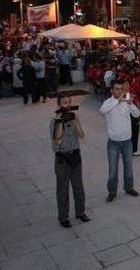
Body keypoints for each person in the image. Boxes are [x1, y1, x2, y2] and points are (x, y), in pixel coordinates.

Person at [49, 95, 89, 228]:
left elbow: (82, 135)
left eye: (69, 102)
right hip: (62, 159)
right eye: (64, 103)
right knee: (63, 190)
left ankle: (80, 212)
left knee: (78, 187)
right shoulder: (54, 121)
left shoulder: (74, 117)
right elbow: (57, 139)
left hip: (75, 156)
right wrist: (60, 121)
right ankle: (63, 217)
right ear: (59, 104)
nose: (67, 105)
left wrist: (76, 121)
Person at [99, 80, 140, 202]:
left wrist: (130, 104)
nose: (119, 91)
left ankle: (129, 188)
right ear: (112, 90)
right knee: (113, 169)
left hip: (127, 142)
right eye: (116, 89)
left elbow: (137, 114)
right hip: (113, 142)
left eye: (121, 89)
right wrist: (118, 101)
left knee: (129, 167)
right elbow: (102, 110)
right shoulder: (108, 102)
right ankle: (112, 191)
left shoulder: (126, 103)